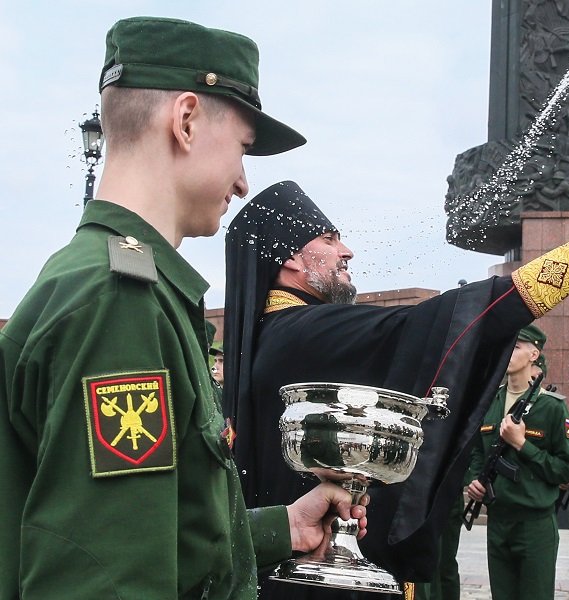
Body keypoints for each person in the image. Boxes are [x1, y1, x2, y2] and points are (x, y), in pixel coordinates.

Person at [0, 17, 368, 599]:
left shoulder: (107, 282)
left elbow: (142, 531)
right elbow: (108, 580)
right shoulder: (117, 302)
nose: (244, 182)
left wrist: (282, 528)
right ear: (187, 120)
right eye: (243, 149)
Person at [223, 181, 569, 596]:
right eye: (330, 240)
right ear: (291, 260)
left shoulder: (276, 333)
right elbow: (443, 326)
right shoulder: (303, 331)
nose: (347, 251)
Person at [466, 325, 569, 600]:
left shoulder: (551, 406)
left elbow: (565, 470)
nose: (507, 351)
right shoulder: (491, 401)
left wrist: (522, 445)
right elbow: (478, 452)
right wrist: (475, 479)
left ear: (533, 354)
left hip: (535, 522)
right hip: (499, 519)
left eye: (515, 346)